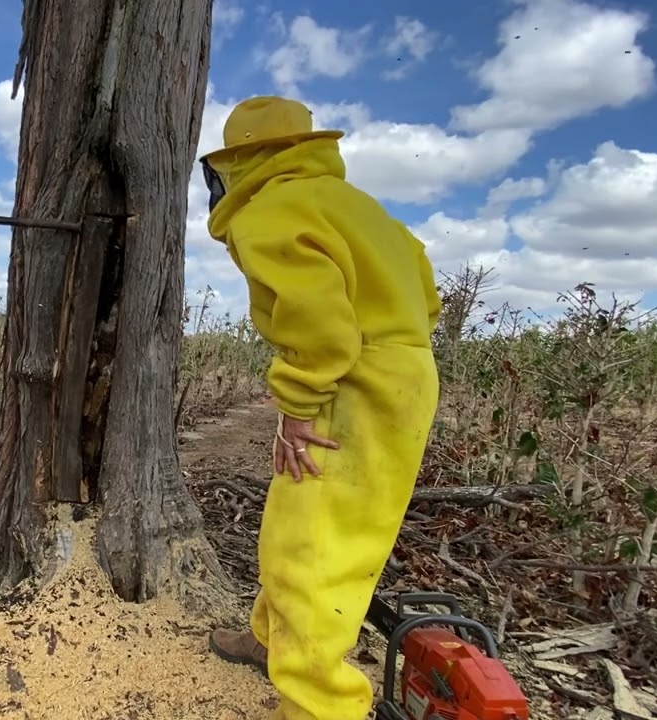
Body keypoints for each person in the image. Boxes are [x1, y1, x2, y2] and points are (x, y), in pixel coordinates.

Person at [198, 96, 442, 720]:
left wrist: (301, 403)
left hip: (353, 380)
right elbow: (425, 286)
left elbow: (321, 324)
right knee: (302, 520)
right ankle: (266, 638)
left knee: (317, 551)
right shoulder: (359, 209)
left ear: (246, 160)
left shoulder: (271, 210)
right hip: (403, 373)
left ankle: (319, 707)